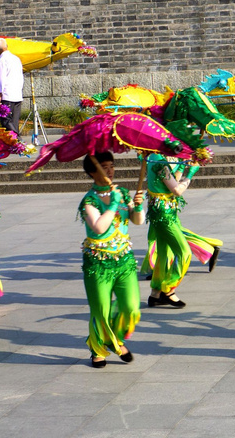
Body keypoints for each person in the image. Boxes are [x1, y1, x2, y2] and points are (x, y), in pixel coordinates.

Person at [79, 152, 145, 368]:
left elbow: (137, 221)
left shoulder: (123, 193)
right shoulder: (89, 200)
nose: (109, 170)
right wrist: (114, 204)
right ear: (91, 172)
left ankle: (113, 337)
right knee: (100, 309)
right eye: (103, 166)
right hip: (98, 264)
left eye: (111, 166)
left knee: (132, 308)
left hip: (124, 261)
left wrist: (137, 207)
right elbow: (98, 228)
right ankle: (98, 349)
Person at [145, 153, 203, 308]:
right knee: (184, 252)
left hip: (167, 210)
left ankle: (155, 293)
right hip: (163, 213)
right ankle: (168, 289)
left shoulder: (158, 157)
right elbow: (177, 190)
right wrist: (190, 174)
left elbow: (173, 180)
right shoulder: (158, 160)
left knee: (164, 254)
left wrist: (183, 164)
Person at [0, 37, 24, 136]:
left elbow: (1, 78)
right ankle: (14, 143)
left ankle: (18, 139)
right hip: (17, 94)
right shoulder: (16, 59)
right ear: (7, 46)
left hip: (7, 95)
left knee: (6, 120)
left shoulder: (3, 60)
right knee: (14, 121)